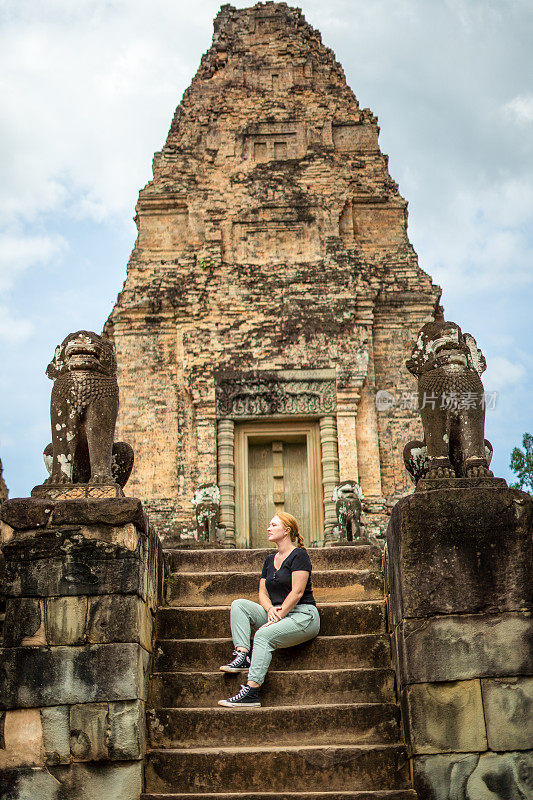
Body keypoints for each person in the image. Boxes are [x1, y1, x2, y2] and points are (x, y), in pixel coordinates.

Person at [218, 511, 320, 708]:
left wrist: (278, 616)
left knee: (263, 635)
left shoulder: (299, 555)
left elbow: (298, 592)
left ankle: (252, 692)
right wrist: (270, 609)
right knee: (239, 605)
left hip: (303, 616)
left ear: (287, 531)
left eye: (273, 525)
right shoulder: (269, 560)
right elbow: (263, 594)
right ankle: (242, 655)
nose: (268, 528)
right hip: (279, 613)